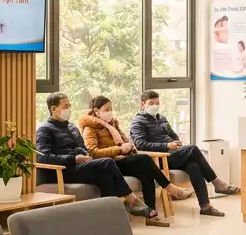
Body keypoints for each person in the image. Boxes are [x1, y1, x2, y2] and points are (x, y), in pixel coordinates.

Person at [35, 92, 160, 221]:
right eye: (65, 106)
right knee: (107, 163)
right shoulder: (44, 129)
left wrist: (84, 155)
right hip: (61, 171)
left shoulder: (71, 127)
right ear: (53, 109)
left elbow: (83, 148)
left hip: (78, 166)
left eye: (69, 106)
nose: (69, 109)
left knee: (105, 175)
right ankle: (131, 199)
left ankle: (110, 219)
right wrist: (73, 158)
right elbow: (43, 157)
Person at [79, 95, 191, 227]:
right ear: (96, 111)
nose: (110, 112)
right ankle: (169, 187)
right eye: (106, 109)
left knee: (146, 172)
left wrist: (128, 148)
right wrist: (119, 150)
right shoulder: (90, 128)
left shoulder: (113, 124)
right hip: (108, 164)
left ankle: (151, 215)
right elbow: (93, 152)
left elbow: (127, 143)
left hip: (121, 160)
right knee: (145, 159)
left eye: (111, 109)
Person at [130, 91, 240, 218]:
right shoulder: (138, 122)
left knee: (194, 166)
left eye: (157, 103)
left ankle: (206, 207)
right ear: (142, 105)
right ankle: (217, 183)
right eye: (151, 103)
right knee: (193, 149)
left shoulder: (161, 118)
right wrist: (166, 146)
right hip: (158, 158)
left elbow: (174, 136)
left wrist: (176, 143)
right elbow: (141, 145)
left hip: (173, 154)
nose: (154, 106)